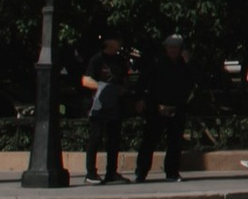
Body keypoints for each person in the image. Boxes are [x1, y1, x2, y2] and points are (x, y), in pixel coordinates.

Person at [134, 34, 193, 184]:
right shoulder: (157, 62)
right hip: (157, 107)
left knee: (175, 142)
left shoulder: (182, 64)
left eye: (176, 47)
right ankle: (141, 171)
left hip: (176, 107)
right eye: (171, 47)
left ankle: (172, 172)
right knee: (150, 140)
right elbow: (143, 81)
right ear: (166, 48)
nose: (173, 50)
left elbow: (190, 82)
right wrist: (140, 99)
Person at [79, 38, 130, 184]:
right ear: (108, 42)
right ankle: (91, 173)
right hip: (99, 105)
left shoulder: (121, 60)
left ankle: (111, 173)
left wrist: (122, 89)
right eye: (115, 39)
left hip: (115, 104)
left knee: (114, 139)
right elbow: (86, 80)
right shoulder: (97, 59)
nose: (119, 42)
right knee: (96, 137)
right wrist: (102, 87)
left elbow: (124, 79)